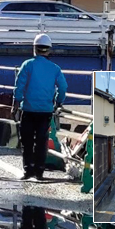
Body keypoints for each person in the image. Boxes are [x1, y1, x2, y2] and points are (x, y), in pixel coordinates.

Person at [12, 34, 68, 181]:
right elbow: (63, 87)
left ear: (35, 49)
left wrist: (15, 105)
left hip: (28, 110)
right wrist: (58, 102)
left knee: (27, 141)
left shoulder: (27, 65)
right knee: (42, 142)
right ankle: (39, 172)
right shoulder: (55, 69)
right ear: (49, 50)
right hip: (46, 111)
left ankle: (28, 171)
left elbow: (19, 87)